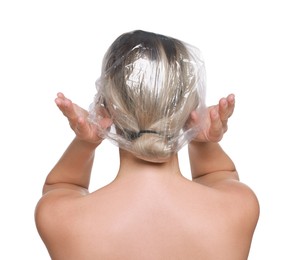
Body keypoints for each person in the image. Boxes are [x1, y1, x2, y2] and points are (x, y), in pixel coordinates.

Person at [35, 30, 259, 260]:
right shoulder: (238, 208)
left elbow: (61, 186)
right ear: (190, 108)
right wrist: (201, 142)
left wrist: (85, 143)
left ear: (104, 107)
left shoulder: (62, 219)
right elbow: (219, 175)